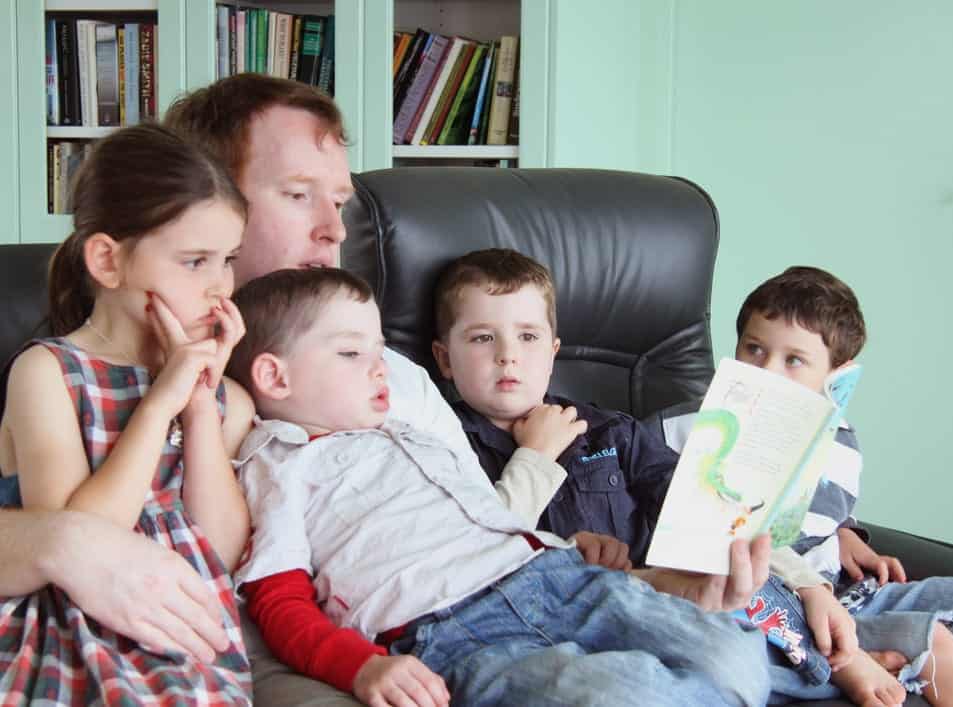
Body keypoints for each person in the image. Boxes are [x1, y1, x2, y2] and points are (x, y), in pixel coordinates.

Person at [0, 73, 768, 701]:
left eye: (339, 202)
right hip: (273, 647)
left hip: (528, 592)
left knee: (738, 654)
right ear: (213, 197)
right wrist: (66, 540)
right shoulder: (72, 374)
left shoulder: (389, 374)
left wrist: (660, 580)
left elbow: (474, 534)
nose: (334, 229)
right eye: (299, 195)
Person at [224, 265, 772, 707]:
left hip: (557, 578)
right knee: (635, 693)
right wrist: (362, 666)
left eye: (380, 349)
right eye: (352, 353)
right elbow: (278, 600)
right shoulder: (278, 464)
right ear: (276, 377)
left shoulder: (412, 424)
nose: (381, 368)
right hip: (456, 631)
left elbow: (490, 514)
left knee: (736, 657)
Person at [428, 248, 917, 705]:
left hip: (659, 600)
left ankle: (830, 659)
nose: (508, 355)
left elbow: (721, 512)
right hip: (549, 618)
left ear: (554, 350)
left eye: (528, 336)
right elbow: (473, 553)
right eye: (482, 337)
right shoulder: (442, 444)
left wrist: (809, 585)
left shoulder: (611, 432)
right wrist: (535, 457)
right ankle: (821, 671)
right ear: (445, 357)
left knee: (735, 565)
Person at [0, 125, 253, 704]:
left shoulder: (224, 400)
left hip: (182, 630)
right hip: (73, 630)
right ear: (108, 261)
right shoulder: (49, 375)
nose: (220, 288)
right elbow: (76, 538)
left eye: (228, 261)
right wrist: (160, 401)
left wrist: (196, 409)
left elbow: (221, 548)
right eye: (195, 262)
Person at [727, 265, 953, 706]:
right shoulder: (699, 430)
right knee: (930, 640)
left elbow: (822, 512)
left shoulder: (839, 438)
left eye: (793, 360)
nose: (768, 370)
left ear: (838, 378)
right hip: (786, 614)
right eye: (754, 349)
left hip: (853, 594)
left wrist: (846, 531)